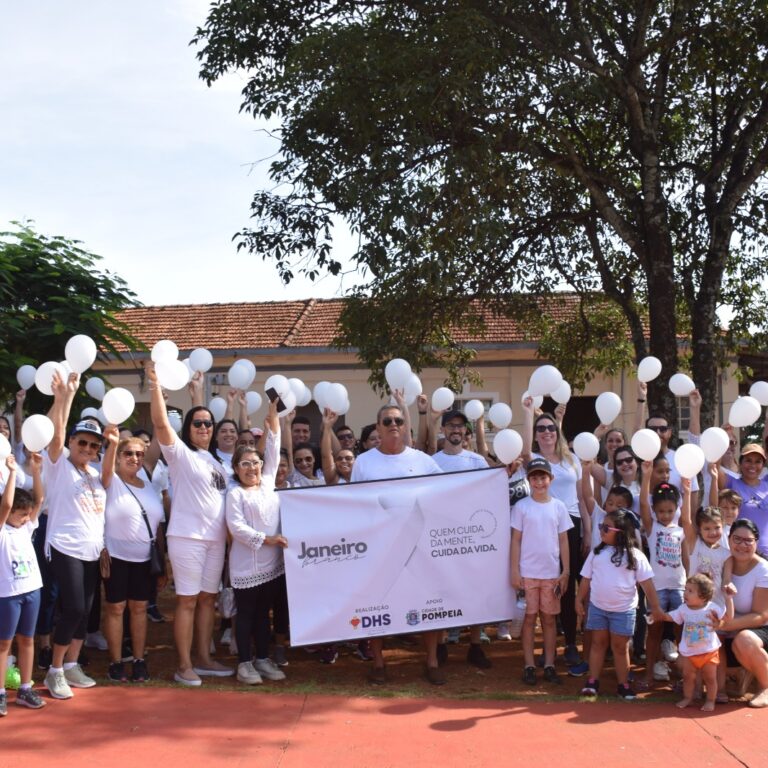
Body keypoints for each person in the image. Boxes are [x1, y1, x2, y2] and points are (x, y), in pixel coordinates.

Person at [147, 363, 233, 686]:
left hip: (215, 541)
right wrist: (155, 385)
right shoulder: (179, 454)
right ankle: (183, 665)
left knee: (208, 599)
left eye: (208, 423)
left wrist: (198, 391)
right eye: (197, 423)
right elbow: (158, 422)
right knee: (187, 600)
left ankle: (204, 658)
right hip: (186, 537)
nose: (204, 427)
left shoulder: (216, 462)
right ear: (187, 428)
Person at [350, 402, 443, 685]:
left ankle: (432, 661)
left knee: (427, 603)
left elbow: (452, 490)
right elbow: (353, 504)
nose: (393, 425)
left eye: (398, 421)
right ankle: (378, 663)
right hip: (380, 549)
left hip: (418, 547)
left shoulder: (424, 461)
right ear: (377, 427)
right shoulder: (363, 462)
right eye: (387, 421)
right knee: (377, 605)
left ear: (406, 427)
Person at [43, 371, 107, 700]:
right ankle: (54, 669)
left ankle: (72, 665)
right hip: (65, 546)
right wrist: (64, 397)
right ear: (72, 442)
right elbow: (54, 437)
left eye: (93, 445)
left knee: (85, 611)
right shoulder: (59, 466)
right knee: (73, 608)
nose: (87, 448)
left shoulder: (96, 475)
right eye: (81, 442)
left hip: (91, 551)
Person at [225, 396, 288, 685]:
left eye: (255, 462)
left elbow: (273, 443)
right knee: (247, 614)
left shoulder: (268, 482)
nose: (252, 468)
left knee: (265, 614)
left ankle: (262, 658)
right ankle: (244, 663)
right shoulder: (235, 493)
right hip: (245, 566)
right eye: (245, 464)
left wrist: (273, 413)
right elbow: (236, 527)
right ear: (236, 469)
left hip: (271, 565)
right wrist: (268, 539)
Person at [522, 399, 588, 668]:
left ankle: (570, 643)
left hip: (571, 524)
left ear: (558, 431)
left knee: (569, 587)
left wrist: (588, 531)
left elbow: (583, 498)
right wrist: (528, 414)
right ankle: (544, 648)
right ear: (536, 435)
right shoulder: (534, 460)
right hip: (542, 524)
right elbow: (525, 449)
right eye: (541, 429)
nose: (546, 432)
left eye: (551, 427)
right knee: (545, 585)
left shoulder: (573, 459)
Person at [100, 428, 166, 683]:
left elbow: (157, 526)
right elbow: (107, 467)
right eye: (128, 453)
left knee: (139, 608)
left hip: (145, 559)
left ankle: (139, 660)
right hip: (116, 556)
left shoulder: (148, 482)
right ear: (118, 456)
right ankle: (116, 662)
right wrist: (113, 443)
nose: (135, 458)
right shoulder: (111, 480)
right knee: (116, 609)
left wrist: (162, 562)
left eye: (139, 454)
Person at [576, 508, 663, 699]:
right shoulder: (596, 554)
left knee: (620, 647)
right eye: (601, 526)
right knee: (597, 644)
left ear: (621, 533)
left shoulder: (636, 556)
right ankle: (592, 681)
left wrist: (655, 608)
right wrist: (579, 600)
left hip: (624, 611)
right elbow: (585, 580)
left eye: (606, 528)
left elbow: (647, 584)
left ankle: (623, 685)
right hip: (598, 608)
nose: (601, 530)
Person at [431, 409, 492, 669]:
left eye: (460, 426)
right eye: (451, 426)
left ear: (466, 431)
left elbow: (489, 495)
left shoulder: (478, 461)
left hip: (473, 536)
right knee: (443, 590)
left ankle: (475, 644)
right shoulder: (431, 462)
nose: (455, 430)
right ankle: (442, 642)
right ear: (443, 430)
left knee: (475, 589)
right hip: (442, 535)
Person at [511, 458, 572, 686]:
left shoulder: (558, 507)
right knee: (528, 620)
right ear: (529, 480)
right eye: (534, 478)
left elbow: (564, 540)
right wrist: (514, 571)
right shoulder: (522, 507)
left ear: (551, 479)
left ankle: (549, 664)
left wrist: (565, 572)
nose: (539, 482)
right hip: (527, 574)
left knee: (548, 620)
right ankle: (528, 665)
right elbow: (515, 540)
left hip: (551, 575)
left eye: (543, 477)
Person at [0, 454, 45, 715]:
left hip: (32, 591)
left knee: (28, 640)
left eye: (28, 515)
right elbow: (6, 505)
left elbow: (39, 499)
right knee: (4, 644)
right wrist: (13, 471)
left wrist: (36, 471)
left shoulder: (25, 528)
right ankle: (1, 692)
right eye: (21, 514)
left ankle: (26, 688)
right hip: (8, 594)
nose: (27, 518)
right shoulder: (3, 530)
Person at [712, 519, 768, 708]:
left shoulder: (764, 570)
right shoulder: (722, 561)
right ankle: (742, 672)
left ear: (756, 543)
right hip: (727, 629)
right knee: (683, 661)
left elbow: (761, 616)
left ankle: (765, 686)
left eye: (748, 541)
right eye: (737, 539)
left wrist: (725, 625)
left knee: (744, 641)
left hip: (758, 631)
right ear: (728, 539)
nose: (742, 545)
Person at [638, 468, 686, 690]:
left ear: (676, 509)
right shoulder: (652, 528)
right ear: (655, 512)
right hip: (657, 589)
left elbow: (686, 559)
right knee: (654, 632)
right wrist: (647, 476)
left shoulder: (682, 531)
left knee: (680, 633)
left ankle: (682, 676)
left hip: (679, 587)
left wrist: (687, 488)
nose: (665, 515)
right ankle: (649, 673)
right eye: (661, 511)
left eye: (669, 510)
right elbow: (643, 507)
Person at [662, 574, 733, 711]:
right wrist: (658, 615)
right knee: (688, 677)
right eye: (685, 589)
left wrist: (729, 599)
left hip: (709, 652)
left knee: (710, 679)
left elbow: (728, 617)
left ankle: (710, 700)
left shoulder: (712, 608)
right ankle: (688, 698)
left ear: (703, 596)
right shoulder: (683, 609)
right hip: (689, 653)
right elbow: (671, 617)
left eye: (690, 591)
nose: (685, 593)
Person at [717, 444, 768, 557]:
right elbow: (714, 467)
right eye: (748, 460)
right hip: (742, 554)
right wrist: (723, 439)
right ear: (740, 463)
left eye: (758, 461)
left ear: (763, 465)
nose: (753, 465)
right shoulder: (731, 483)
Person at [320, 409, 355, 485]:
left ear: (355, 462)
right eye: (339, 459)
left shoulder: (361, 477)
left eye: (348, 458)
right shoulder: (333, 479)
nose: (343, 461)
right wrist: (327, 427)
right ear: (335, 463)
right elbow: (326, 455)